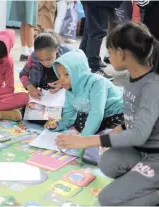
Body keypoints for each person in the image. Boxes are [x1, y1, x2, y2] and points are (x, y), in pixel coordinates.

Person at [55, 22, 159, 206]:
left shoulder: (152, 86)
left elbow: (138, 134)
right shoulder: (132, 77)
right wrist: (112, 132)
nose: (108, 57)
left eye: (110, 52)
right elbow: (133, 120)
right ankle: (141, 180)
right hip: (140, 150)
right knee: (107, 163)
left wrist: (89, 140)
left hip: (154, 154)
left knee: (107, 199)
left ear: (121, 53)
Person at [44, 49, 124, 137]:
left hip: (116, 112)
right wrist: (58, 125)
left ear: (79, 73)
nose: (61, 80)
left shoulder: (97, 83)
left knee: (115, 137)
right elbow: (68, 117)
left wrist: (83, 139)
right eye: (59, 75)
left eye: (66, 74)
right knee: (80, 123)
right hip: (95, 111)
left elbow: (97, 113)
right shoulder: (69, 89)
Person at [19, 31, 71, 100]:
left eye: (49, 59)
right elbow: (23, 74)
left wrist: (63, 84)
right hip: (40, 96)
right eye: (41, 59)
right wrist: (30, 86)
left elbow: (78, 77)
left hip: (61, 97)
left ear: (57, 50)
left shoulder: (67, 57)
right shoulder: (33, 57)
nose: (46, 63)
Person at [79, 1, 122, 80]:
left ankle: (82, 61)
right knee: (97, 32)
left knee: (90, 30)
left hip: (97, 3)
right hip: (99, 3)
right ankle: (93, 67)